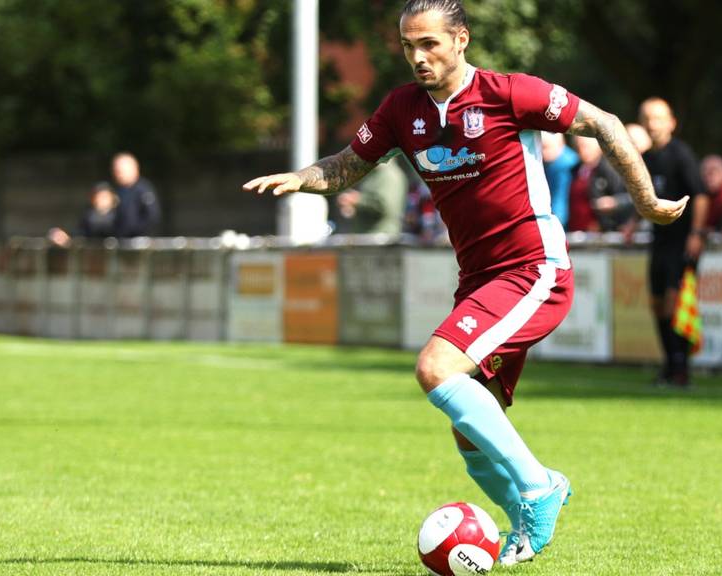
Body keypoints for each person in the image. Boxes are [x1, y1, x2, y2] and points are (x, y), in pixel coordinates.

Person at [243, 0, 686, 565]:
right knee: (470, 436)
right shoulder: (402, 109)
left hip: (533, 269)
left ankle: (538, 486)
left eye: (429, 43)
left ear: (461, 40)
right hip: (478, 279)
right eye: (408, 46)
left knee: (435, 369)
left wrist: (644, 200)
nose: (418, 57)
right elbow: (348, 165)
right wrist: (301, 178)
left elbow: (602, 123)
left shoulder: (508, 92)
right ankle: (528, 518)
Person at [634, 97, 708, 388]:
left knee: (675, 304)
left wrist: (697, 233)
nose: (652, 123)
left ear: (671, 122)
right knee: (656, 304)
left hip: (681, 241)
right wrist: (631, 224)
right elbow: (643, 199)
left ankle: (681, 368)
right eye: (647, 118)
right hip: (659, 240)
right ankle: (668, 364)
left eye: (658, 117)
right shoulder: (648, 159)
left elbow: (700, 195)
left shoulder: (681, 154)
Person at [335, 155, 409, 235]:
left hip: (381, 237)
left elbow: (383, 206)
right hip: (366, 237)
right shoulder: (373, 174)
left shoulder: (389, 175)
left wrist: (356, 200)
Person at [572, 135, 632, 233]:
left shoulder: (611, 168)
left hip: (606, 232)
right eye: (578, 147)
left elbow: (628, 197)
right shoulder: (575, 169)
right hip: (579, 232)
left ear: (598, 147)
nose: (582, 151)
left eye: (585, 146)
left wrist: (614, 202)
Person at [47, 181, 121, 247]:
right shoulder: (88, 216)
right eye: (97, 197)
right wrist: (65, 238)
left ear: (112, 197)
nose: (100, 200)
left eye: (104, 197)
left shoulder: (119, 215)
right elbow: (79, 235)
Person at [111, 152, 161, 237]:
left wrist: (135, 233)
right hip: (122, 242)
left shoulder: (143, 189)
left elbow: (152, 216)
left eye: (120, 171)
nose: (118, 175)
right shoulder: (119, 191)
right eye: (116, 171)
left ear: (135, 169)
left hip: (140, 244)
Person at [541, 132, 579, 226]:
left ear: (560, 145)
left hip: (565, 222)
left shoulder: (570, 166)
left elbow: (560, 198)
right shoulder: (550, 165)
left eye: (545, 147)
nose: (542, 152)